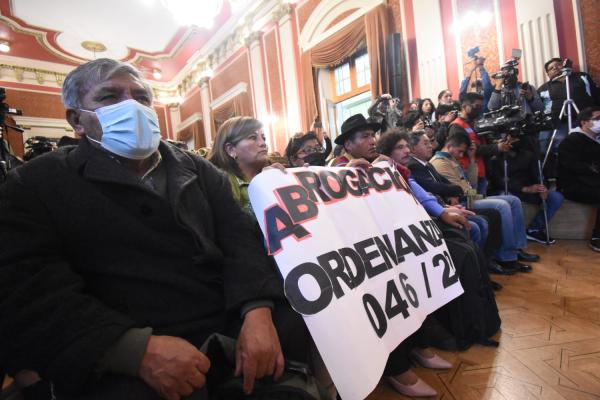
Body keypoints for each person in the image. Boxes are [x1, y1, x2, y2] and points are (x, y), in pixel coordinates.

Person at [0, 58, 310, 400]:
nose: (131, 106)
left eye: (142, 97)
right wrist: (134, 351)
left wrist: (257, 311)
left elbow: (240, 241)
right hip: (122, 342)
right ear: (77, 120)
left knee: (312, 323)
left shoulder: (202, 171)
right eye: (110, 97)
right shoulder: (35, 183)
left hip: (225, 319)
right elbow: (32, 287)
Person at [331, 115, 459, 397]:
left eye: (372, 135)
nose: (371, 140)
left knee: (415, 281)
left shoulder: (382, 167)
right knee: (385, 295)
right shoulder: (335, 169)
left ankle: (418, 346)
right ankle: (396, 369)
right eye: (364, 136)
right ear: (347, 145)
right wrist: (346, 175)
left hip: (391, 243)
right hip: (361, 255)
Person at [430, 131, 540, 272]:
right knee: (502, 205)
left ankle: (517, 248)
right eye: (460, 151)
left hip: (471, 197)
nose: (461, 155)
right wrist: (477, 195)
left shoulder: (452, 159)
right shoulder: (440, 162)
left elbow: (471, 184)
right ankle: (506, 256)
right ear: (450, 146)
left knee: (513, 200)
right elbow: (460, 191)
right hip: (464, 202)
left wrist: (472, 159)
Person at [404, 131, 508, 277]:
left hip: (464, 198)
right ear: (450, 146)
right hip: (458, 200)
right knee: (492, 213)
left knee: (499, 208)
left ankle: (497, 259)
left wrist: (471, 160)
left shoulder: (437, 162)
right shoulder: (435, 162)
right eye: (426, 143)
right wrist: (459, 193)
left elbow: (468, 184)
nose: (431, 146)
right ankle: (487, 266)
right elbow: (444, 188)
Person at [488, 137, 564, 244]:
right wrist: (524, 189)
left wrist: (543, 188)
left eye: (514, 139)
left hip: (528, 189)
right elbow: (497, 181)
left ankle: (534, 229)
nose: (511, 142)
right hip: (506, 189)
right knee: (508, 200)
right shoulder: (496, 157)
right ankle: (512, 237)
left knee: (556, 197)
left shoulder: (528, 155)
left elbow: (539, 175)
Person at [450, 92, 514, 195]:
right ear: (464, 106)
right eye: (476, 106)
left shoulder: (474, 123)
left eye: (481, 106)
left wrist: (497, 142)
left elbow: (482, 142)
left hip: (481, 171)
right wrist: (496, 148)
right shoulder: (457, 126)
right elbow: (468, 149)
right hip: (468, 173)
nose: (479, 109)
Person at [557, 106, 600, 252]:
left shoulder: (596, 140)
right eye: (597, 119)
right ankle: (597, 237)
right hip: (574, 185)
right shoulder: (572, 140)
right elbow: (572, 166)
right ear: (584, 122)